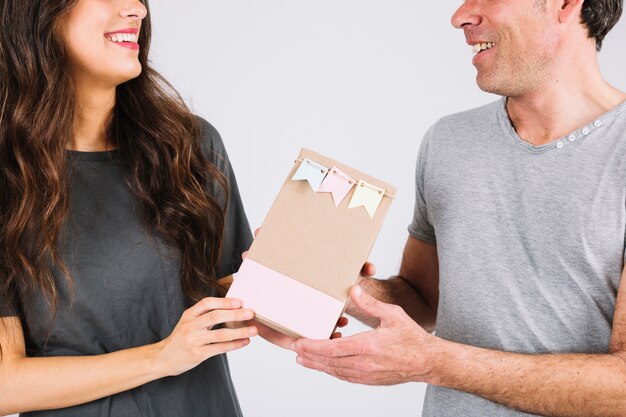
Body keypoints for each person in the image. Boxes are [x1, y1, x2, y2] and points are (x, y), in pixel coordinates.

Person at [291, 1, 626, 416]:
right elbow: (423, 302)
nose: (460, 15)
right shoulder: (448, 141)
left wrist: (432, 361)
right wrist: (340, 285)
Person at [0, 0, 261, 415]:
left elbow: (221, 305)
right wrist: (163, 357)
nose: (136, 9)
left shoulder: (190, 146)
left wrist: (294, 285)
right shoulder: (10, 180)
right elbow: (4, 384)